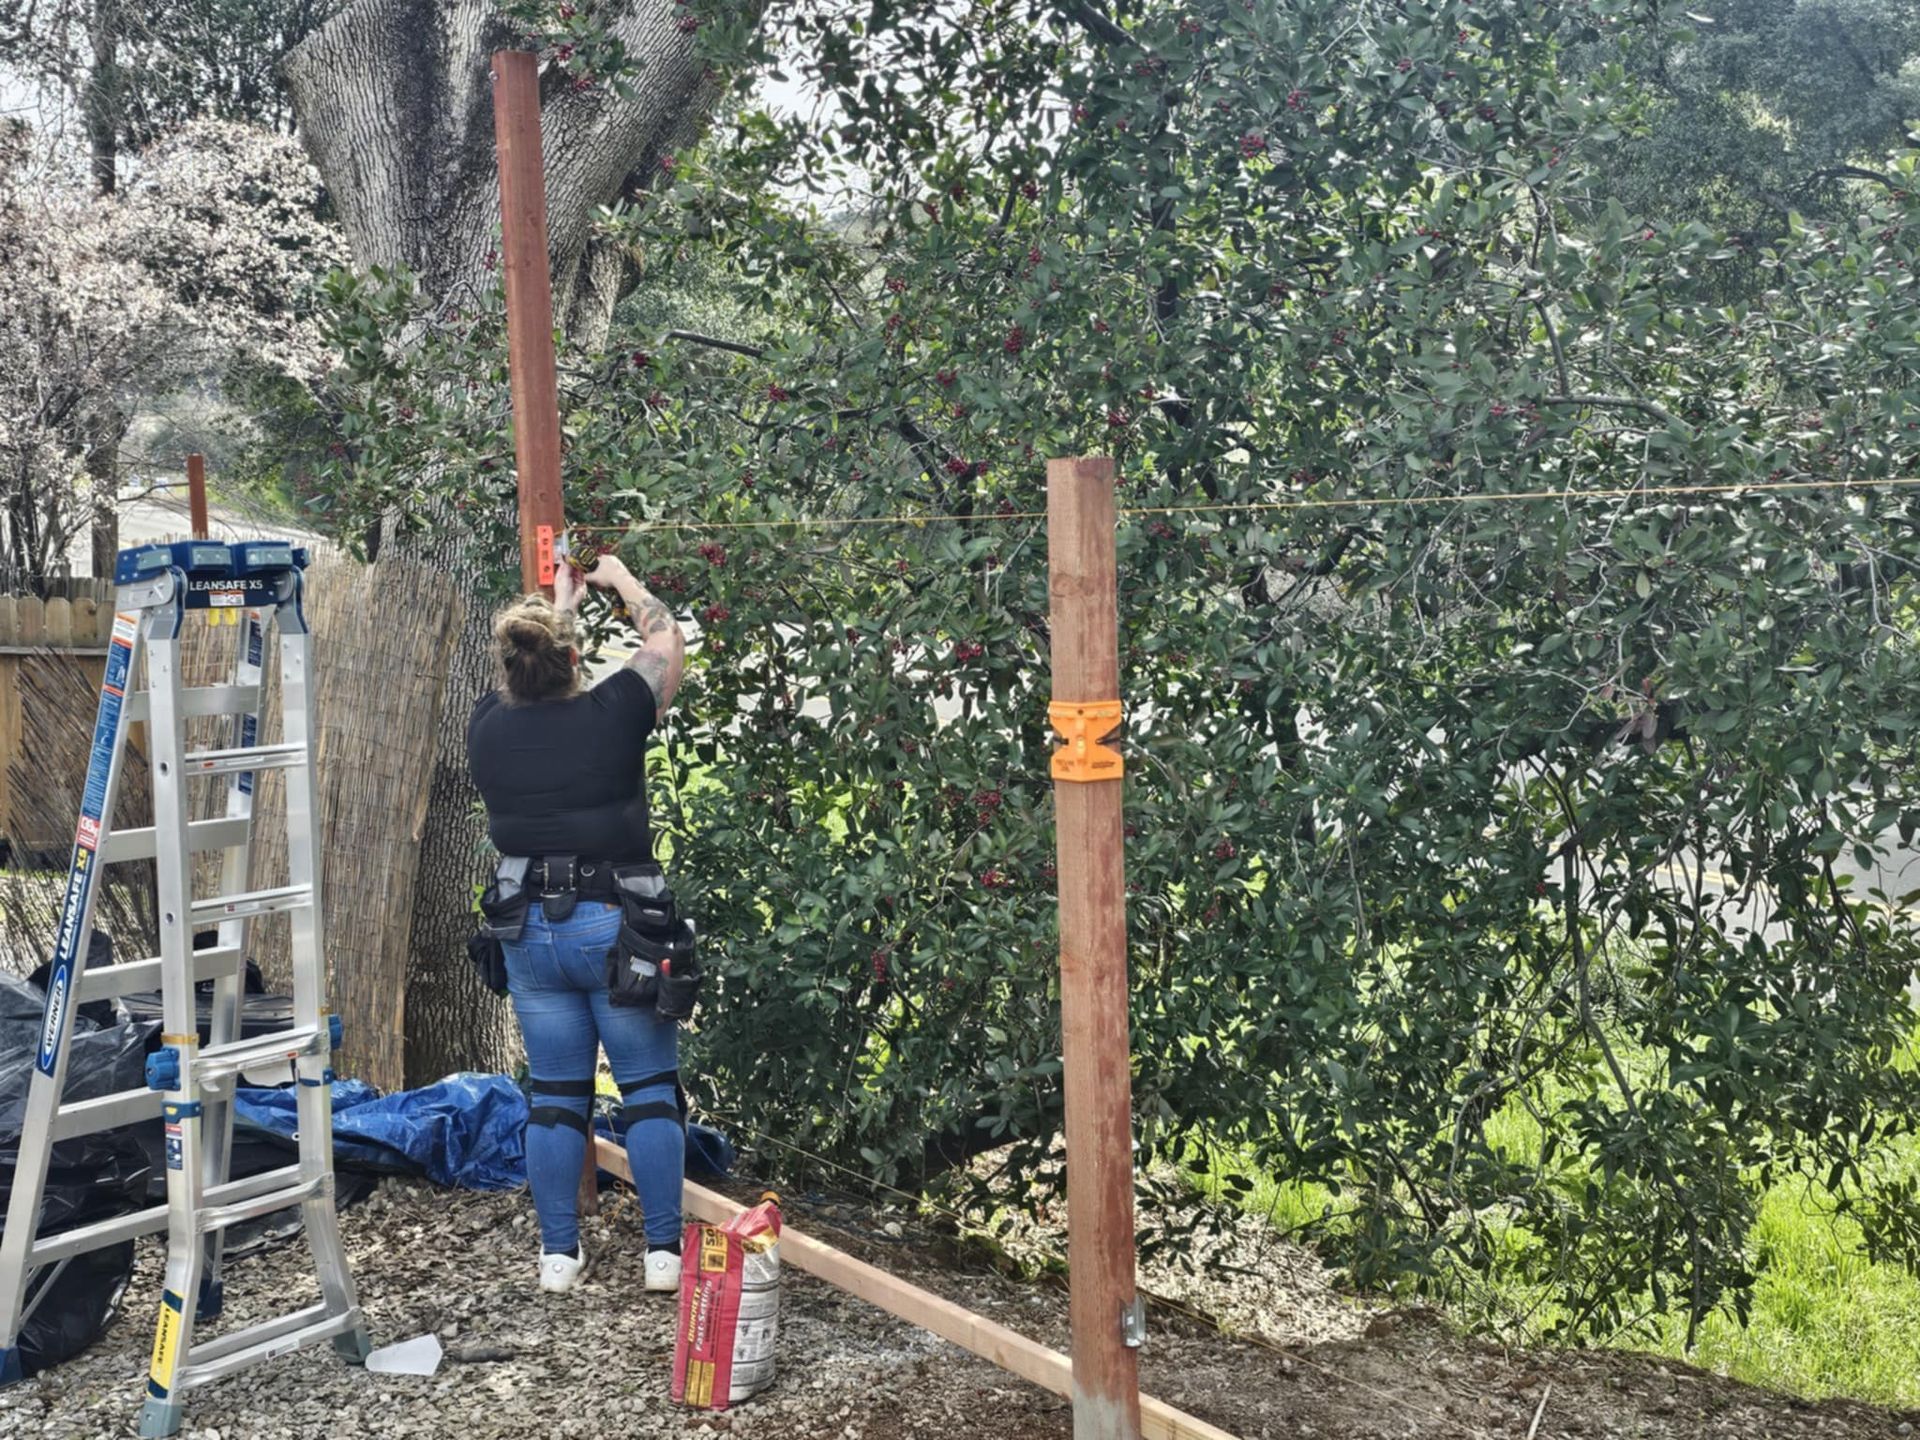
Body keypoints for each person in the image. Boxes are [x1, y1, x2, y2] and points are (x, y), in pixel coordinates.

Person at [466, 553, 688, 1295]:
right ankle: (662, 1255)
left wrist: (559, 604)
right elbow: (665, 642)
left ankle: (558, 1256)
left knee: (556, 1098)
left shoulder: (487, 724)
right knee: (650, 1089)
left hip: (528, 932)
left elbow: (539, 672)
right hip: (613, 926)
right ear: (574, 658)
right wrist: (620, 584)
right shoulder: (615, 711)